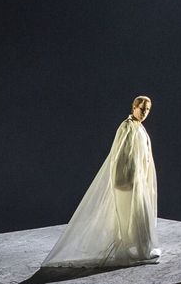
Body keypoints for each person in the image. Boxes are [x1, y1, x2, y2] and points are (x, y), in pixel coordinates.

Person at [40, 96, 161, 268]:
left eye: (147, 110)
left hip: (137, 182)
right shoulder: (126, 126)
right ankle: (139, 249)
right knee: (132, 216)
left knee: (139, 217)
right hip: (127, 182)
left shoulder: (139, 128)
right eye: (142, 108)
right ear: (134, 107)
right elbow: (119, 157)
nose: (144, 113)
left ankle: (141, 249)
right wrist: (124, 180)